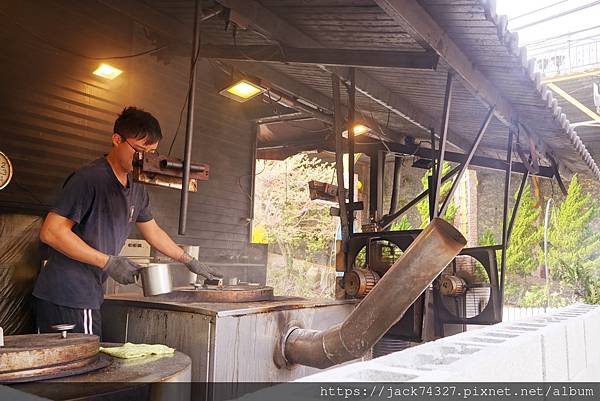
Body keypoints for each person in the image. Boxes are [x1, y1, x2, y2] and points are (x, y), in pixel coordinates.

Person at [33, 106, 222, 336]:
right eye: (140, 150)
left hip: (89, 291)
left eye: (151, 153)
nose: (145, 159)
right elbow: (51, 232)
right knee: (80, 366)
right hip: (66, 293)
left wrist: (188, 260)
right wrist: (108, 262)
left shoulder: (137, 187)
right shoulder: (89, 178)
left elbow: (153, 231)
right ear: (116, 139)